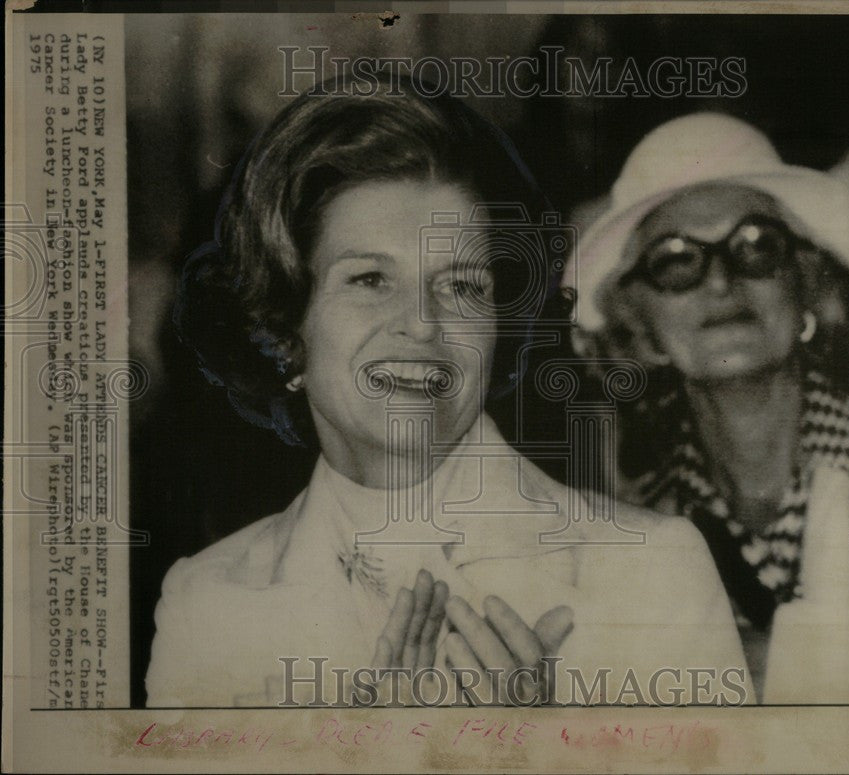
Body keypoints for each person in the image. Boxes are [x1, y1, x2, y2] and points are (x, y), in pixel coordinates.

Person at [145, 78, 749, 707]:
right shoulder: (208, 603)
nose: (425, 322)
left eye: (462, 285)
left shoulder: (653, 571)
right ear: (285, 331)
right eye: (371, 278)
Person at [572, 112, 849, 702]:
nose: (720, 283)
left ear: (806, 282)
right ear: (640, 327)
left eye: (756, 246)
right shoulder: (614, 528)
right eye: (676, 258)